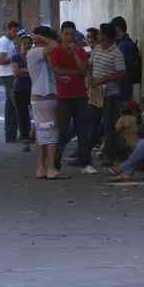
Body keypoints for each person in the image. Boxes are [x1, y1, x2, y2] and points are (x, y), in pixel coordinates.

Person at [49, 21, 96, 174]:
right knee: (62, 131)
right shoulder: (56, 51)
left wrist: (74, 54)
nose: (69, 37)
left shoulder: (80, 51)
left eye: (72, 34)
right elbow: (56, 70)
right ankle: (55, 164)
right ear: (61, 35)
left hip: (80, 95)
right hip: (63, 97)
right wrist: (72, 72)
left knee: (83, 130)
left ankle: (85, 163)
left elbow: (83, 70)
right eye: (66, 34)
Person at [27, 26, 67, 180]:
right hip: (46, 98)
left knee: (42, 134)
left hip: (37, 98)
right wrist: (41, 37)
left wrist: (59, 79)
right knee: (51, 134)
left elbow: (47, 72)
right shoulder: (37, 51)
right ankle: (50, 168)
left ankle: (40, 168)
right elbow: (54, 45)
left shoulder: (35, 54)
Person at [90, 23, 126, 167]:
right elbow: (90, 64)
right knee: (92, 123)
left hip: (110, 94)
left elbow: (122, 73)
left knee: (109, 125)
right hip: (96, 92)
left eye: (99, 33)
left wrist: (104, 79)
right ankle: (86, 152)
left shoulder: (116, 52)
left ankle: (109, 155)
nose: (97, 35)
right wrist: (89, 77)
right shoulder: (97, 49)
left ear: (105, 36)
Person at [0, 21, 21, 143]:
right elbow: (2, 60)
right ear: (9, 29)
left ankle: (11, 136)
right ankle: (14, 134)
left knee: (11, 106)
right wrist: (16, 57)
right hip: (8, 76)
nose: (15, 34)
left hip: (10, 75)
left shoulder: (10, 41)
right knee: (16, 105)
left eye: (17, 31)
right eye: (14, 31)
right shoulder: (4, 42)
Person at [11, 35, 34, 150]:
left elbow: (36, 72)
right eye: (25, 43)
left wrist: (24, 71)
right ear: (20, 45)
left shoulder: (33, 56)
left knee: (35, 113)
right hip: (19, 89)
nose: (27, 45)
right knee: (22, 114)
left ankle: (33, 134)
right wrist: (29, 71)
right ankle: (25, 137)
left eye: (29, 43)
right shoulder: (16, 57)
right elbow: (16, 72)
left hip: (33, 89)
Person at [111, 16, 140, 101]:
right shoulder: (121, 43)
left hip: (122, 85)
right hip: (122, 85)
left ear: (117, 28)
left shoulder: (125, 45)